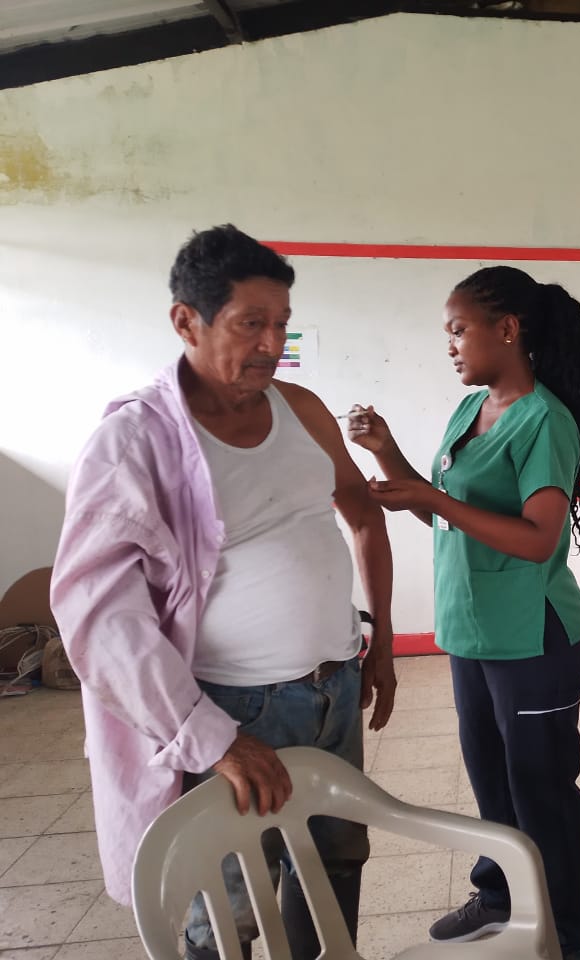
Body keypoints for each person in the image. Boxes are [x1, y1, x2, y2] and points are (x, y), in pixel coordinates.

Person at [49, 225, 397, 960]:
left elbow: (362, 513)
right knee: (230, 900)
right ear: (187, 321)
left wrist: (382, 644)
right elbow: (98, 616)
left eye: (282, 324)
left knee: (333, 864)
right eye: (251, 323)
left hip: (334, 686)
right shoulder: (137, 440)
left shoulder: (300, 409)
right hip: (234, 707)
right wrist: (214, 738)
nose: (272, 344)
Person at [346, 265, 580, 960]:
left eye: (459, 330)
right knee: (492, 777)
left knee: (541, 789)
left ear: (507, 329)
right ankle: (500, 898)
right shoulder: (471, 409)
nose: (451, 345)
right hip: (474, 629)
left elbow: (538, 537)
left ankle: (566, 935)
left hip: (532, 636)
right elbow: (446, 509)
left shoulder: (544, 420)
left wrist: (433, 500)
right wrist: (386, 451)